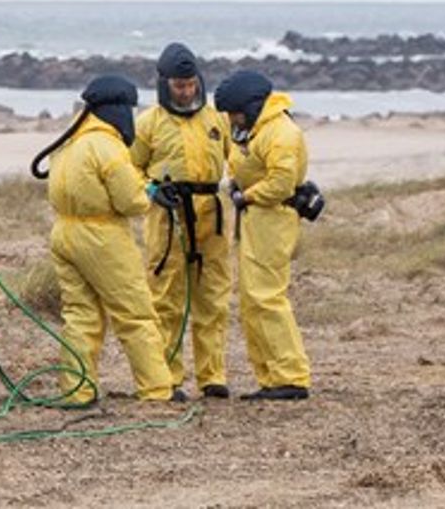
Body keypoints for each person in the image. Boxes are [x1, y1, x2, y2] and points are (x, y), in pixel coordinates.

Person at [34, 74, 180, 405]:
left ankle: (77, 390)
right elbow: (129, 201)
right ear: (118, 110)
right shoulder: (108, 146)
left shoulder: (69, 143)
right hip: (102, 236)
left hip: (64, 233)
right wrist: (149, 195)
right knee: (135, 313)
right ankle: (157, 389)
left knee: (79, 315)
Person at [130, 43, 234, 398]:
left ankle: (212, 375)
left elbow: (239, 160)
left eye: (191, 84)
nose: (187, 92)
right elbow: (130, 167)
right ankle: (168, 376)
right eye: (180, 86)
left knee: (213, 297)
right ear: (164, 84)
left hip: (211, 215)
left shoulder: (216, 119)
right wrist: (151, 189)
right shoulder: (148, 124)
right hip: (168, 214)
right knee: (166, 298)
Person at [216, 68, 311, 401]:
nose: (232, 120)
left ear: (253, 106)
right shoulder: (252, 131)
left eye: (235, 113)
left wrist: (248, 195)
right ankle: (270, 376)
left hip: (273, 218)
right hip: (254, 220)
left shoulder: (281, 133)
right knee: (251, 299)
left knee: (267, 296)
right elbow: (239, 164)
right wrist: (236, 186)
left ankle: (291, 377)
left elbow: (281, 183)